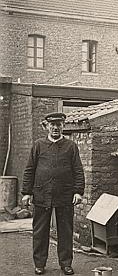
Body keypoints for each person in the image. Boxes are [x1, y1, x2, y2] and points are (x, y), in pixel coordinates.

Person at [21, 112, 85, 275]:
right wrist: (27, 192)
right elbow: (29, 169)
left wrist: (78, 191)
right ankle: (40, 264)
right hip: (42, 194)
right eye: (52, 125)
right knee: (40, 231)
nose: (56, 128)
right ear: (46, 126)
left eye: (59, 125)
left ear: (63, 126)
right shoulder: (38, 145)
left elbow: (78, 170)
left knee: (65, 231)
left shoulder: (71, 146)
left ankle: (66, 264)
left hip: (65, 195)